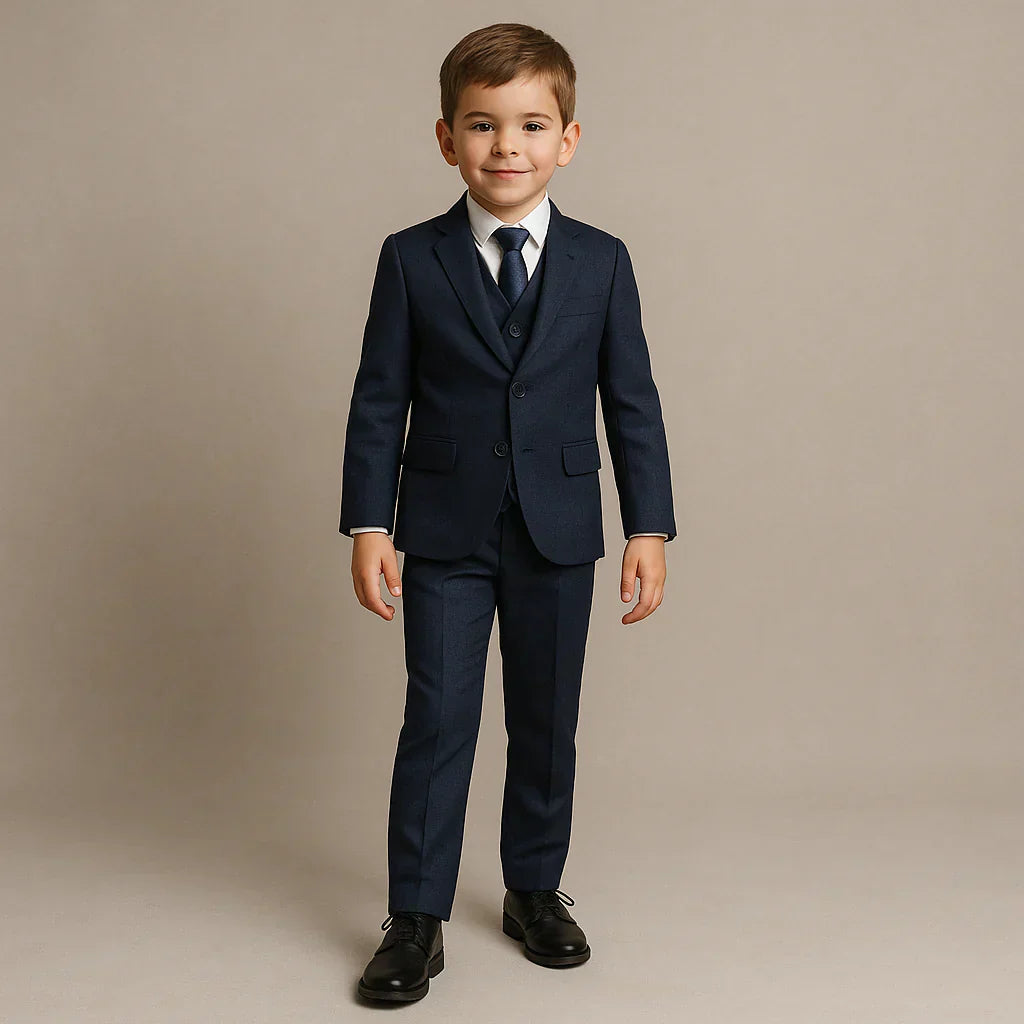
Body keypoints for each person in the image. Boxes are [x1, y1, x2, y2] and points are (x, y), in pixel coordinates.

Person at [339, 21, 677, 1003]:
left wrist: (647, 525)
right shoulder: (410, 259)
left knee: (544, 719)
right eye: (482, 126)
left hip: (560, 530)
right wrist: (369, 523)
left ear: (567, 139)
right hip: (443, 531)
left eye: (531, 125)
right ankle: (416, 915)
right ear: (446, 138)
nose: (506, 147)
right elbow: (377, 398)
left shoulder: (601, 261)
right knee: (437, 719)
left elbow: (634, 400)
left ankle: (534, 887)